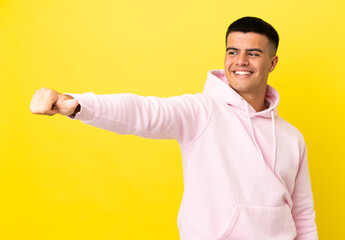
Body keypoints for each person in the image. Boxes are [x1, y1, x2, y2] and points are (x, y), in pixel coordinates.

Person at [30, 17, 318, 240]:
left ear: (272, 62)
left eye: (253, 53)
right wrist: (78, 104)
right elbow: (144, 111)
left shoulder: (291, 137)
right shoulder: (202, 111)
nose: (240, 61)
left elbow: (302, 213)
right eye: (233, 52)